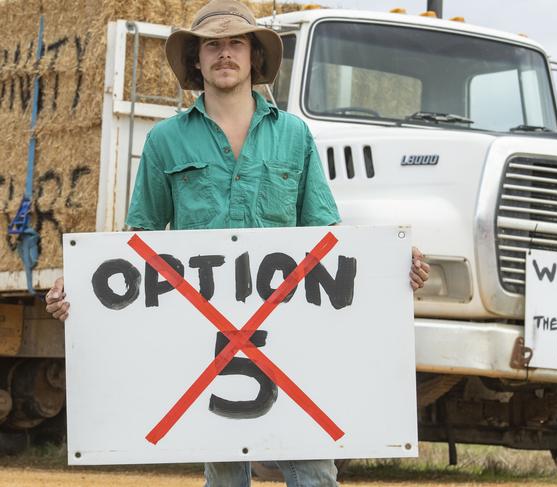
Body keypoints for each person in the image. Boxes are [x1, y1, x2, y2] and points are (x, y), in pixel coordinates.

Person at [46, 1, 430, 485]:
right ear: (196, 59)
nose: (224, 53)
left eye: (235, 43)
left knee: (314, 474)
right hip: (202, 336)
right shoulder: (165, 142)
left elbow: (330, 238)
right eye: (212, 44)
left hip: (289, 335)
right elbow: (137, 242)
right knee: (226, 476)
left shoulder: (294, 136)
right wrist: (80, 285)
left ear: (254, 57)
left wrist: (394, 265)